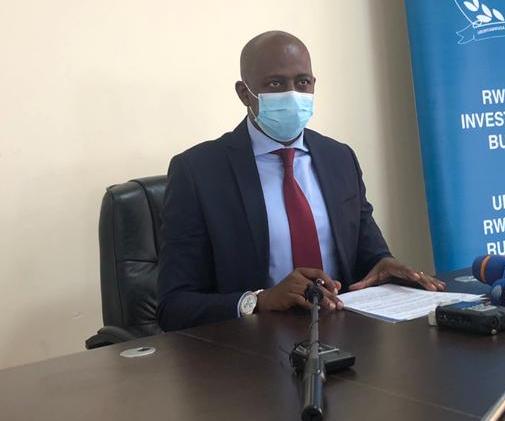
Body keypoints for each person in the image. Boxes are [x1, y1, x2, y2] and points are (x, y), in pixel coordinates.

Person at [156, 31, 445, 331]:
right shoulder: (199, 171)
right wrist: (260, 300)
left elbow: (368, 254)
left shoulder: (339, 158)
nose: (292, 94)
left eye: (303, 82)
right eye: (275, 84)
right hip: (252, 346)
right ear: (244, 93)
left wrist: (383, 264)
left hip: (345, 335)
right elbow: (173, 306)